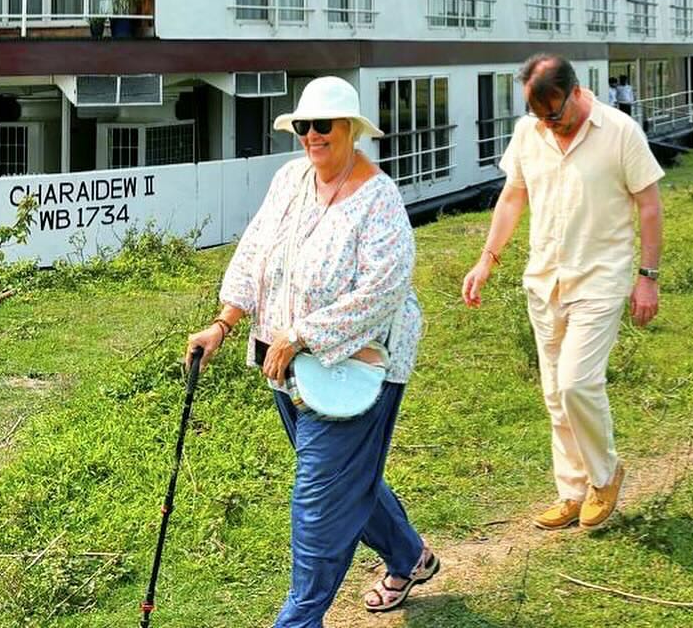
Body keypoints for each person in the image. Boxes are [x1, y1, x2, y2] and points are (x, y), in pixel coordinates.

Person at [183, 76, 436, 624]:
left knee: (319, 501)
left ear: (351, 130)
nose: (312, 136)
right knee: (346, 477)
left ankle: (299, 619)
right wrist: (222, 324)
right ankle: (409, 556)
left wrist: (303, 335)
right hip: (288, 368)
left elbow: (384, 289)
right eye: (304, 126)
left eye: (324, 125)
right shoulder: (291, 179)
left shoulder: (379, 197)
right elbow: (254, 252)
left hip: (356, 368)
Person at [461, 55, 663, 530]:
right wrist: (486, 259)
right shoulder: (529, 133)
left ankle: (605, 474)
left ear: (576, 92)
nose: (550, 126)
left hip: (600, 278)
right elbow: (514, 196)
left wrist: (648, 277)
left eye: (556, 115)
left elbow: (650, 206)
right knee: (555, 393)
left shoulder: (619, 131)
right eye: (540, 117)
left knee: (576, 382)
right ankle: (571, 491)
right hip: (544, 277)